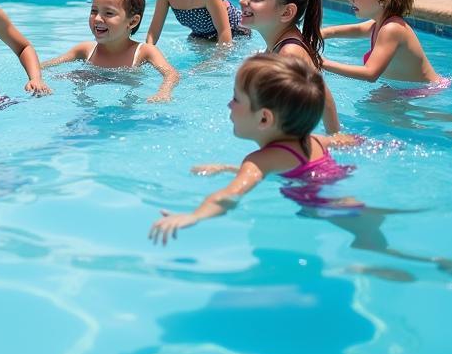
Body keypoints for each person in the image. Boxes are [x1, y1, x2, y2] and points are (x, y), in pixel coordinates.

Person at [148, 56, 348, 243]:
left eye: (236, 99)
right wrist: (227, 168)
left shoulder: (258, 161)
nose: (229, 104)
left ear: (264, 118)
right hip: (344, 205)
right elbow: (344, 144)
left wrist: (195, 215)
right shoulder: (316, 140)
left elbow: (230, 195)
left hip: (323, 210)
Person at [239, 0, 340, 133]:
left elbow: (323, 96)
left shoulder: (290, 53)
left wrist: (335, 136)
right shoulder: (277, 44)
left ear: (286, 12)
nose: (243, 0)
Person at [322, 0, 446, 91]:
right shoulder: (378, 24)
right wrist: (320, 34)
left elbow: (370, 74)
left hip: (426, 92)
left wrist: (322, 63)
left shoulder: (392, 29)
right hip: (402, 90)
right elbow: (349, 30)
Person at [41, 0, 179, 102]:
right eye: (94, 11)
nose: (97, 19)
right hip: (88, 106)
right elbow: (45, 66)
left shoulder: (144, 52)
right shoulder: (85, 50)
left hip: (128, 105)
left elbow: (171, 74)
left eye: (108, 13)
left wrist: (163, 92)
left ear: (132, 21)